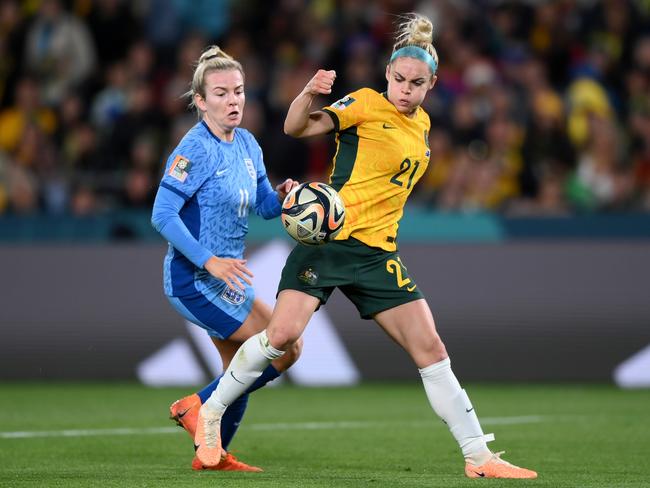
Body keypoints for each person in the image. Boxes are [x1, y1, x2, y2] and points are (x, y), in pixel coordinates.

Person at [193, 14, 538, 479]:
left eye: (416, 83)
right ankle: (210, 412)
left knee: (431, 348)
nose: (405, 90)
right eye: (398, 79)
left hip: (378, 255)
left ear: (431, 84)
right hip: (329, 240)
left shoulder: (423, 126)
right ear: (387, 77)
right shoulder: (366, 104)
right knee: (281, 337)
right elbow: (297, 127)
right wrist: (309, 93)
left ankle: (478, 456)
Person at [150, 45, 301, 472]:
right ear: (201, 101)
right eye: (221, 93)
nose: (233, 100)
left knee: (241, 369)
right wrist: (208, 261)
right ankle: (195, 406)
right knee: (284, 347)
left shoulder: (248, 144)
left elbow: (264, 206)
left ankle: (211, 454)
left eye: (238, 91)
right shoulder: (193, 148)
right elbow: (162, 213)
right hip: (194, 280)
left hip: (228, 280)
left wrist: (284, 197)